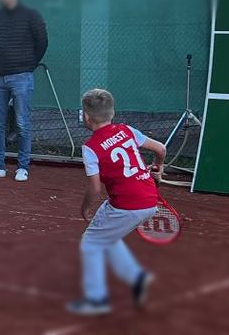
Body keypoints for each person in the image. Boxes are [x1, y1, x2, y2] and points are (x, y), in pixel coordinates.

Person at [66, 88, 167, 316]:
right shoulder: (127, 130)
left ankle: (96, 300)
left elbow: (94, 188)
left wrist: (84, 208)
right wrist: (158, 167)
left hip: (126, 205)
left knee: (91, 243)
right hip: (149, 198)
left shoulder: (90, 147)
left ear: (87, 117)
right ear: (112, 113)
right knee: (106, 234)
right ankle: (135, 276)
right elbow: (161, 149)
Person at [0, 0, 48, 182]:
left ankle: (23, 167)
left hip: (22, 77)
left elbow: (42, 42)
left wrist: (29, 64)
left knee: (23, 123)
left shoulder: (32, 15)